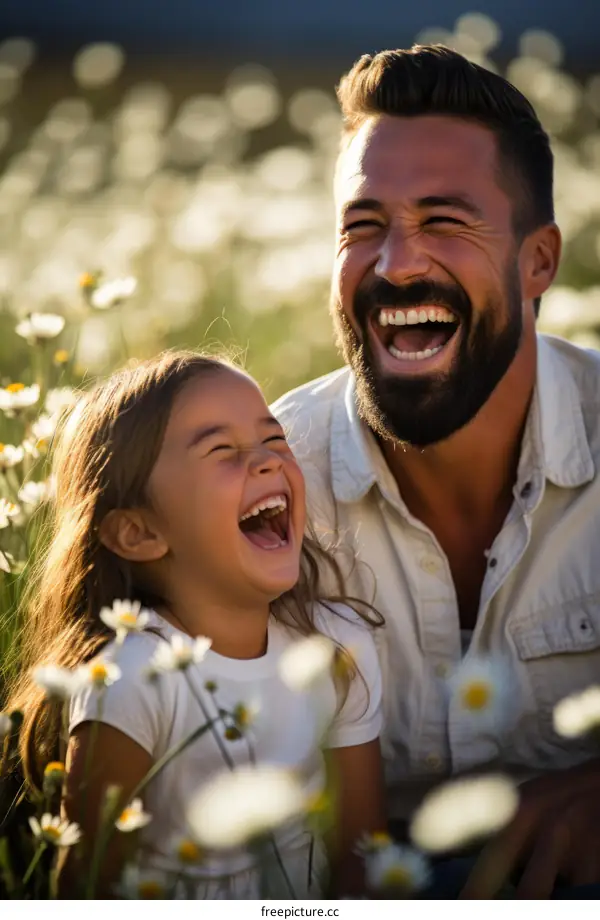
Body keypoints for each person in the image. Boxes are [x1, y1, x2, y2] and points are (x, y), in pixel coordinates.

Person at [272, 45, 600, 899]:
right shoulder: (261, 487)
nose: (395, 264)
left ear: (538, 264)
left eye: (445, 221)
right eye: (362, 226)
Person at [5, 351, 385, 899]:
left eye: (274, 440)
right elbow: (88, 889)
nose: (267, 462)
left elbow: (361, 864)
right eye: (222, 450)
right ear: (137, 533)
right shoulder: (129, 681)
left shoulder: (338, 647)